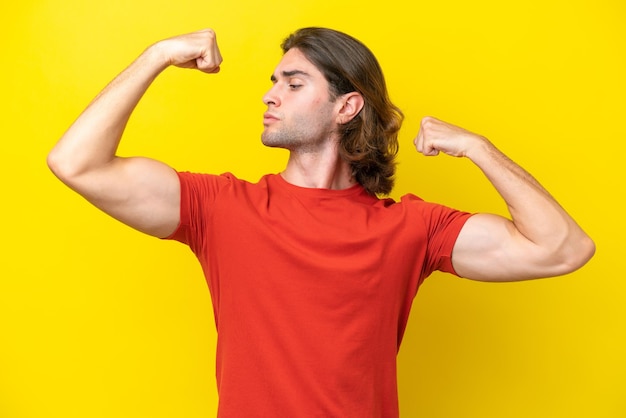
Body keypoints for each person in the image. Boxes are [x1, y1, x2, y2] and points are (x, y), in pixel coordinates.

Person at [47, 27, 595, 417]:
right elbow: (75, 162)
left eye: (292, 82)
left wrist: (479, 149)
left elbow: (563, 249)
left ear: (346, 107)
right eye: (273, 81)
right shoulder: (220, 207)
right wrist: (157, 55)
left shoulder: (411, 229)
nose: (269, 94)